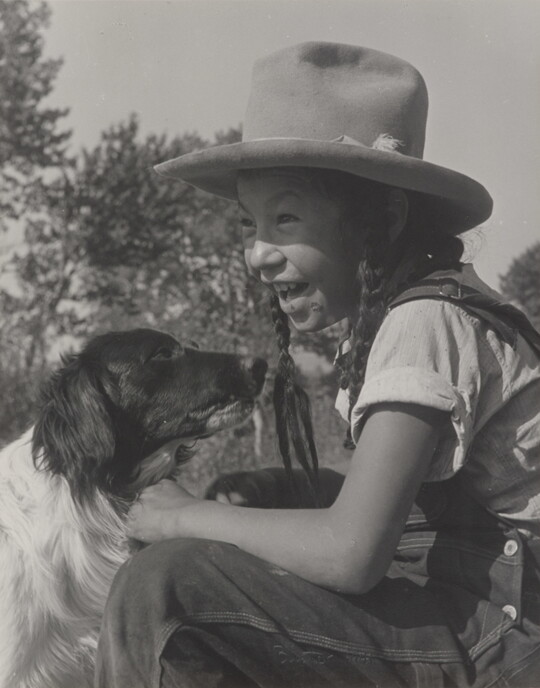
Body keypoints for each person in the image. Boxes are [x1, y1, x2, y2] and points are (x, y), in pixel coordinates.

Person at [95, 42, 540, 687]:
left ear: (381, 219)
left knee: (164, 586)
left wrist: (180, 516)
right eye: (250, 223)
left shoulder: (424, 323)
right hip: (470, 612)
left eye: (285, 218)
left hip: (503, 639)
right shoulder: (415, 313)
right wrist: (278, 492)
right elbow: (405, 508)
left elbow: (354, 552)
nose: (257, 254)